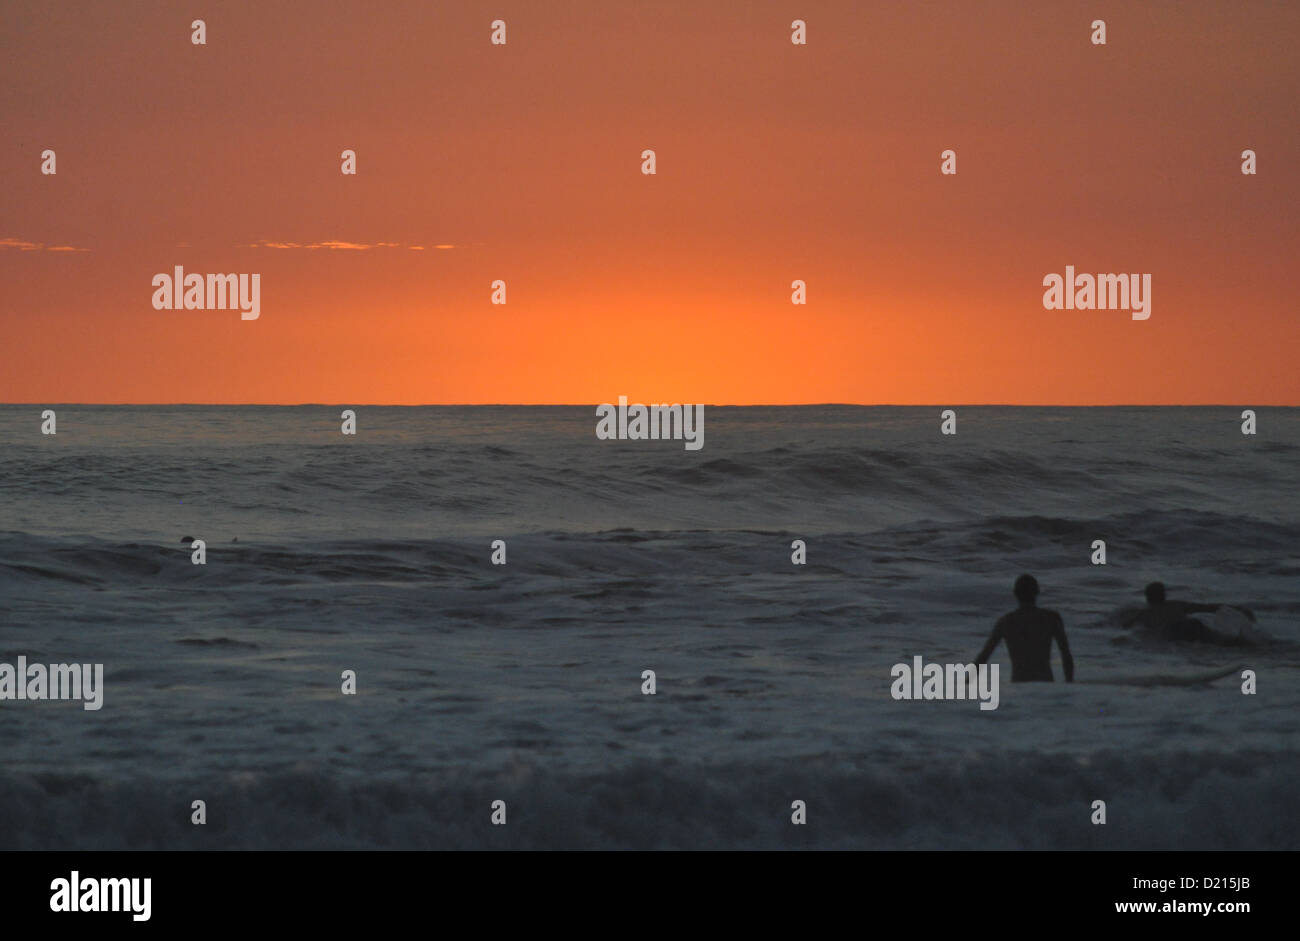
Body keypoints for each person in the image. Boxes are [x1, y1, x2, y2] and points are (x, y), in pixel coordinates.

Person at [975, 574, 1074, 682]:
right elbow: (1066, 654)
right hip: (1045, 687)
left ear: (1015, 594)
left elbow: (984, 656)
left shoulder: (1006, 622)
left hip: (1020, 688)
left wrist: (965, 685)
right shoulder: (1051, 618)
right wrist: (1069, 686)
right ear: (1037, 592)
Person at [1122, 582, 1255, 645]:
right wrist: (1239, 609)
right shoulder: (1177, 604)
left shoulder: (1143, 614)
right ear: (1164, 595)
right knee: (1223, 642)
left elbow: (1127, 627)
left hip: (1173, 632)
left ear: (1147, 597)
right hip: (1193, 625)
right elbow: (1208, 607)